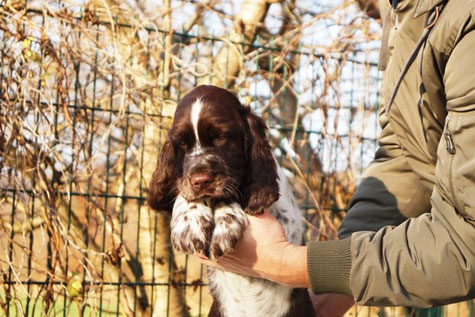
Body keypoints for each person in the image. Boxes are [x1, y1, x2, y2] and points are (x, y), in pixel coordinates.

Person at [196, 0, 475, 314]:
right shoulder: (405, 11)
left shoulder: (463, 16)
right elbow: (405, 151)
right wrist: (329, 297)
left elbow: (468, 240)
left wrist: (288, 263)